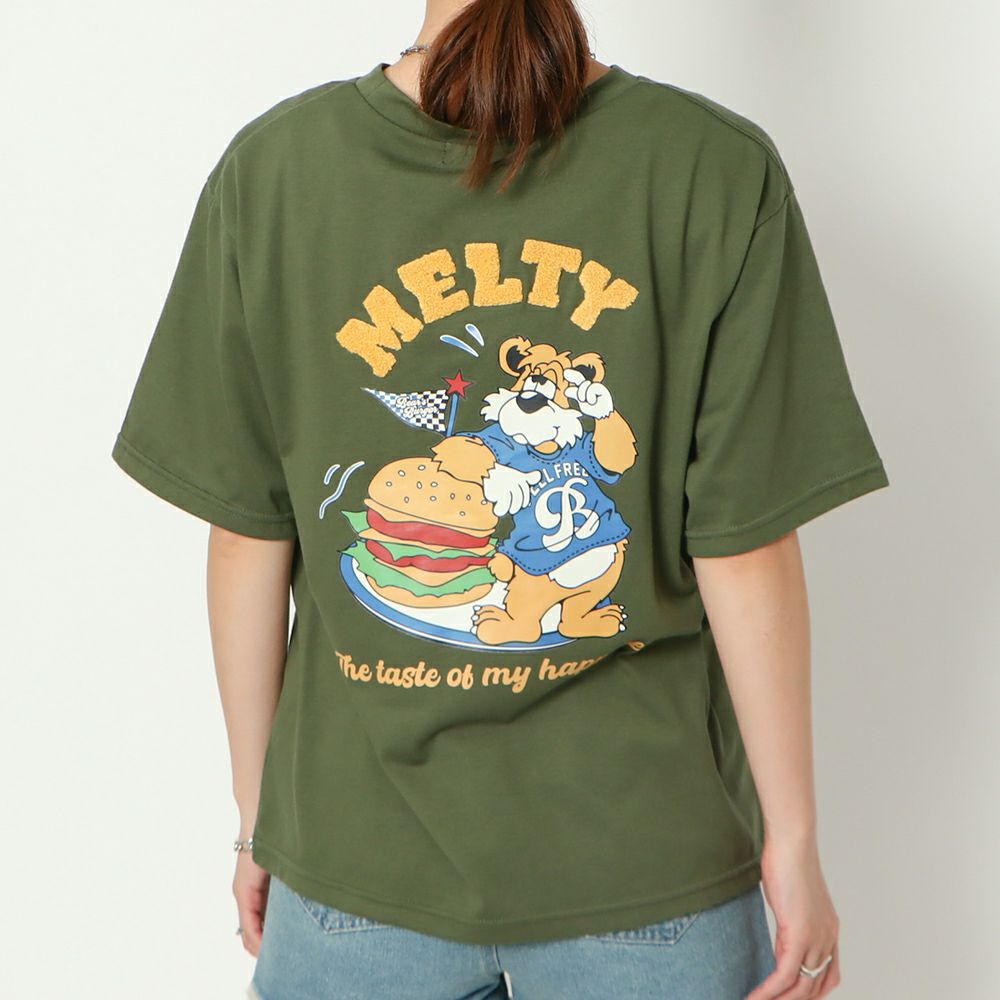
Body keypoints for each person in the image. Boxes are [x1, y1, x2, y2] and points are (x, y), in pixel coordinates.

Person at [110, 0, 890, 996]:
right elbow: (742, 547)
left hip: (356, 863)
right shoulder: (712, 168)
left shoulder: (276, 171)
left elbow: (246, 537)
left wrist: (259, 821)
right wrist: (794, 841)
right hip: (645, 873)